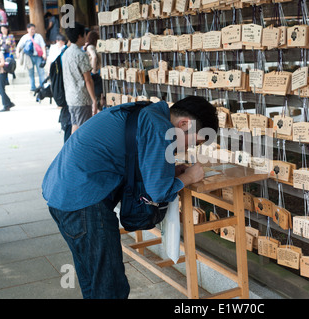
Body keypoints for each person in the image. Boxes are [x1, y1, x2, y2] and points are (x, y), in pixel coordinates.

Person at [42, 95, 219, 298]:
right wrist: (188, 177)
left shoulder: (150, 112)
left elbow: (140, 163)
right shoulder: (159, 127)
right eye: (193, 142)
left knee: (93, 280)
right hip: (82, 201)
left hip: (64, 192)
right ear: (184, 123)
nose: (188, 149)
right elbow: (158, 192)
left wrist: (170, 172)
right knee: (111, 287)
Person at [61, 22, 97, 133]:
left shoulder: (65, 54)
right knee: (84, 131)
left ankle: (71, 150)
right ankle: (80, 151)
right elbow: (88, 80)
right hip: (81, 98)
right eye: (85, 35)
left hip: (70, 97)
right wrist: (94, 100)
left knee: (75, 126)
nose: (86, 38)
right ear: (79, 36)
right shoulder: (81, 55)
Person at [16, 24, 47, 92]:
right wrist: (17, 53)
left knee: (41, 72)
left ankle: (42, 86)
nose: (33, 30)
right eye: (31, 29)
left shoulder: (38, 36)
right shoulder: (25, 37)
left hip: (38, 56)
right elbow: (19, 46)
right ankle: (33, 87)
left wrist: (44, 54)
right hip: (28, 57)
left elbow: (43, 45)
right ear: (28, 29)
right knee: (31, 72)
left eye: (33, 29)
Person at [84, 31, 103, 110]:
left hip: (94, 73)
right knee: (97, 95)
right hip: (94, 74)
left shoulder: (89, 47)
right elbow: (94, 57)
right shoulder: (90, 47)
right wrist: (94, 70)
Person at [0, 43, 14, 112]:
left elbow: (2, 63)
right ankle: (9, 103)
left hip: (2, 73)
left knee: (0, 89)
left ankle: (6, 105)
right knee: (0, 89)